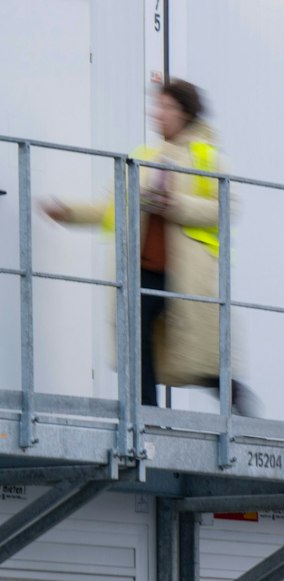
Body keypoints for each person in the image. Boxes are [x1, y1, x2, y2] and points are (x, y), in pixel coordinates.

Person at [41, 79, 255, 414]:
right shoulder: (144, 157)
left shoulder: (205, 156)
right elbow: (109, 208)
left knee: (201, 356)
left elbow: (228, 207)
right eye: (157, 106)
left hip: (185, 274)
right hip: (145, 268)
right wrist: (68, 212)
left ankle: (232, 394)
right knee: (134, 338)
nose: (158, 114)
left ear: (186, 112)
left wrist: (175, 204)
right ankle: (146, 415)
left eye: (167, 107)